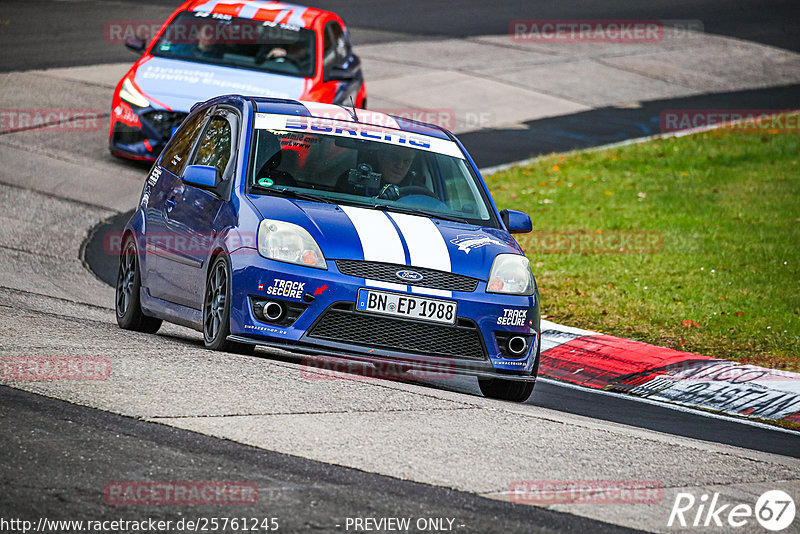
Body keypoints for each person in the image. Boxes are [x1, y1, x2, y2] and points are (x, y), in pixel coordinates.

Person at [337, 145, 423, 200]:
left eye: (406, 161)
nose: (400, 165)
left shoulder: (419, 192)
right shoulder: (352, 180)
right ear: (380, 156)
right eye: (394, 158)